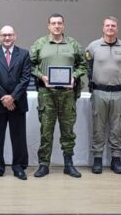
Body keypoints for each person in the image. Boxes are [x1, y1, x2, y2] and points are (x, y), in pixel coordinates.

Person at [29, 13, 87, 178]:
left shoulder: (73, 44)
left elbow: (83, 66)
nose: (56, 26)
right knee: (46, 131)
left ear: (63, 25)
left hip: (68, 94)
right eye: (53, 23)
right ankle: (43, 165)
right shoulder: (40, 44)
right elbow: (30, 65)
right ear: (48, 26)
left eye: (59, 23)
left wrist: (73, 77)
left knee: (68, 132)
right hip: (46, 94)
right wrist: (42, 76)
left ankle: (68, 164)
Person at [0, 25, 32, 180]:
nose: (7, 38)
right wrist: (4, 98)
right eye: (4, 35)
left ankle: (19, 167)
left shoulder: (24, 54)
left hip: (17, 103)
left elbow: (25, 79)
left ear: (15, 36)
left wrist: (12, 97)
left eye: (10, 35)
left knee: (18, 137)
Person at [86, 16, 121, 174]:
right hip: (99, 92)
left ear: (117, 28)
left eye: (113, 26)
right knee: (98, 126)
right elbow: (88, 67)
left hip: (118, 92)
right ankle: (97, 159)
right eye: (107, 26)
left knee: (117, 127)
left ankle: (116, 159)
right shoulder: (93, 46)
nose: (110, 28)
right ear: (103, 28)